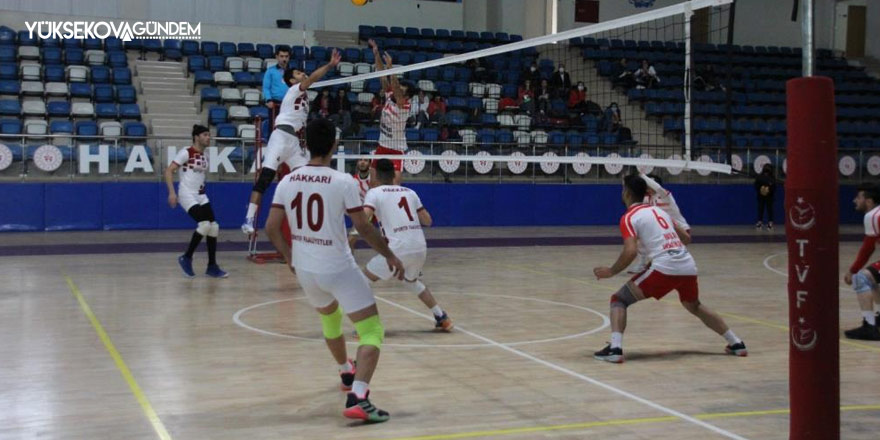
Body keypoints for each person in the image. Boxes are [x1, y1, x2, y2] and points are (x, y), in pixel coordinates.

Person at [265, 118, 405, 423]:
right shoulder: (343, 181)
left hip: (305, 269)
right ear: (333, 146)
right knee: (372, 331)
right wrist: (390, 255)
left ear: (305, 145)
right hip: (337, 267)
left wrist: (289, 258)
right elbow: (363, 228)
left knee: (330, 317)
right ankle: (358, 396)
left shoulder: (288, 180)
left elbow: (271, 227)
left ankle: (345, 371)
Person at [592, 174, 747, 363]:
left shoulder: (629, 217)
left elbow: (631, 251)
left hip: (665, 267)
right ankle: (736, 342)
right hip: (687, 265)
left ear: (626, 193)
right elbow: (686, 238)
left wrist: (611, 271)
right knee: (694, 305)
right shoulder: (660, 211)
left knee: (619, 299)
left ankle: (615, 348)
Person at [241, 49, 342, 235]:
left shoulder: (305, 96)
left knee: (309, 177)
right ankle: (248, 219)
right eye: (297, 73)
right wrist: (329, 65)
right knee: (265, 180)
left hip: (294, 143)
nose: (301, 74)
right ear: (292, 81)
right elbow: (311, 79)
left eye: (300, 72)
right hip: (280, 137)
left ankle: (311, 220)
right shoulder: (294, 90)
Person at [363, 159, 454, 331]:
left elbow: (364, 219)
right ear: (393, 175)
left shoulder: (374, 193)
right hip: (420, 247)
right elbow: (428, 221)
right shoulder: (410, 192)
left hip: (398, 249)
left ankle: (369, 326)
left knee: (361, 282)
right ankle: (441, 316)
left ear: (375, 174)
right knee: (411, 281)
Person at [164, 125, 228, 278]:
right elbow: (168, 170)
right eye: (205, 135)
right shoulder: (186, 152)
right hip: (187, 194)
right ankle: (186, 257)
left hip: (201, 195)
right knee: (204, 224)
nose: (208, 137)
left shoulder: (205, 155)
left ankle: (212, 266)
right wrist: (172, 193)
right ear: (196, 137)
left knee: (214, 227)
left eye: (209, 135)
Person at [627, 172, 691, 274]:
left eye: (649, 183)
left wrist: (642, 175)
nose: (647, 186)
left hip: (680, 230)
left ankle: (680, 264)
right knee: (641, 236)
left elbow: (658, 188)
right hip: (663, 229)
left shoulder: (665, 195)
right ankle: (642, 264)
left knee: (670, 254)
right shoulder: (646, 198)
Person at [369, 39, 410, 186]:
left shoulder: (405, 106)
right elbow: (381, 74)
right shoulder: (389, 94)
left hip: (397, 148)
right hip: (382, 145)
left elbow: (398, 93)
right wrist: (376, 53)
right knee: (373, 183)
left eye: (402, 90)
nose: (397, 90)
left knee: (395, 186)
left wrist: (391, 67)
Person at [842, 183, 880, 340]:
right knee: (874, 279)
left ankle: (869, 327)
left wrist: (853, 270)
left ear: (869, 201)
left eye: (858, 197)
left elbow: (868, 248)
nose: (854, 200)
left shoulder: (872, 216)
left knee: (861, 277)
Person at [347, 158, 374, 251]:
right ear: (357, 163)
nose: (362, 162)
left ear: (370, 163)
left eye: (366, 160)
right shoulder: (352, 180)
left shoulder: (374, 179)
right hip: (363, 214)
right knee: (350, 241)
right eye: (360, 160)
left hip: (375, 210)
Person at [262, 47, 291, 115]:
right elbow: (266, 88)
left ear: (289, 57)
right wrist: (269, 100)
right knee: (274, 125)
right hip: (274, 104)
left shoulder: (293, 72)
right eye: (281, 56)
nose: (284, 59)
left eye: (286, 56)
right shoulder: (270, 71)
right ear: (277, 57)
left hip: (290, 103)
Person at [754, 164, 776, 230]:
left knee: (769, 209)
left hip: (769, 197)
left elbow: (774, 187)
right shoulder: (759, 177)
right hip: (761, 196)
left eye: (768, 169)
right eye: (766, 169)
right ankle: (760, 222)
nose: (766, 171)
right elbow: (756, 185)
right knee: (761, 209)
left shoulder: (772, 178)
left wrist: (768, 190)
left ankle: (770, 222)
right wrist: (761, 189)